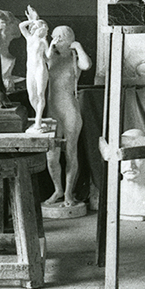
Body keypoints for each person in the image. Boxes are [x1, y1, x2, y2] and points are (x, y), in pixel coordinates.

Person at [44, 24, 90, 207]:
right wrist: (49, 47)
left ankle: (69, 193)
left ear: (70, 38)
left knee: (71, 152)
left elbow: (86, 65)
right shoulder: (49, 57)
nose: (57, 40)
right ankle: (58, 190)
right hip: (52, 111)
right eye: (55, 36)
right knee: (51, 156)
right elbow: (40, 62)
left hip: (70, 109)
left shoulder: (74, 57)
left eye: (62, 36)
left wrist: (78, 47)